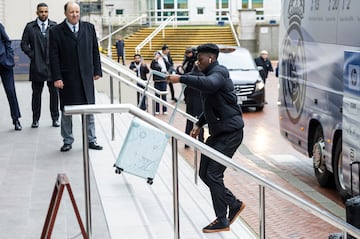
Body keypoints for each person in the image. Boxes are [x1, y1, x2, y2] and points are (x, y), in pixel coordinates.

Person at [167, 43, 246, 233]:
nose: (197, 61)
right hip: (219, 133)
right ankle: (233, 203)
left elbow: (209, 85)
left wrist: (181, 78)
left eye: (200, 58)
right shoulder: (208, 74)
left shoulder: (219, 72)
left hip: (231, 133)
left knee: (213, 174)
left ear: (210, 58)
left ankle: (222, 219)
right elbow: (210, 104)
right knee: (203, 173)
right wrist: (199, 123)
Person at [49, 1, 103, 152]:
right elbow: (53, 56)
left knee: (89, 109)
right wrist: (57, 77)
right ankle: (67, 140)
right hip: (67, 78)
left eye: (77, 12)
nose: (75, 15)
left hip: (85, 76)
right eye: (72, 12)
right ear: (66, 13)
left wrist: (97, 70)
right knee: (67, 111)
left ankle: (91, 139)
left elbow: (94, 51)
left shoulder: (88, 28)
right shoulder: (56, 31)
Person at [21, 2, 60, 128]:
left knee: (54, 95)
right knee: (36, 95)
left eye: (46, 11)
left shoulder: (54, 26)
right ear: (37, 13)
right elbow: (24, 44)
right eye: (41, 12)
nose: (44, 14)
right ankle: (35, 119)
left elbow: (59, 45)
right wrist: (33, 55)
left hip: (52, 67)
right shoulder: (30, 27)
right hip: (37, 67)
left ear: (48, 12)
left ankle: (55, 119)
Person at [176, 47, 204, 148]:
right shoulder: (203, 76)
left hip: (190, 102)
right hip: (200, 102)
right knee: (200, 122)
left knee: (189, 122)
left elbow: (184, 87)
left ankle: (187, 142)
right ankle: (201, 141)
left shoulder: (189, 76)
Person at [0, 23, 22, 131]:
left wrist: (9, 56)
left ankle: (16, 119)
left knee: (10, 92)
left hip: (4, 63)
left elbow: (7, 41)